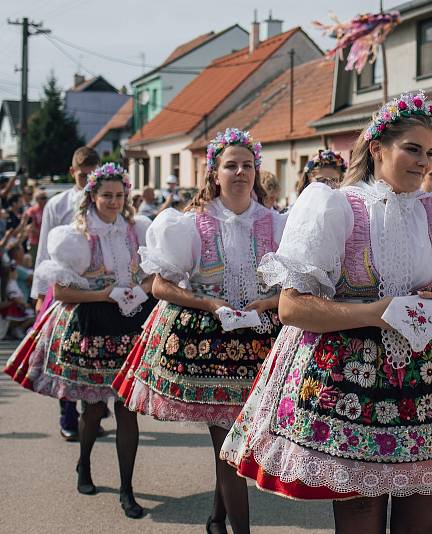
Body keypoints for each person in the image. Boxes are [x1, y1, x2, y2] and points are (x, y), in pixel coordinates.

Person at [220, 91, 432, 534]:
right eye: (412, 149)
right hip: (350, 385)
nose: (425, 163)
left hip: (430, 388)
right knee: (359, 514)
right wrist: (376, 312)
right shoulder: (336, 207)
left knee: (419, 517)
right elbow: (292, 308)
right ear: (376, 148)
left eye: (429, 152)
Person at [113, 128, 285, 534]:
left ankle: (216, 519)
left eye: (247, 165)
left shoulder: (277, 224)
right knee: (227, 439)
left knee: (232, 441)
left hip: (264, 341)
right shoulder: (191, 223)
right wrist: (211, 304)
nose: (240, 172)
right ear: (214, 173)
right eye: (231, 165)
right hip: (210, 344)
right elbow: (159, 285)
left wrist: (267, 303)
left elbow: (297, 285)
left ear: (256, 172)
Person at [3, 163, 155, 518]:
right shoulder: (77, 235)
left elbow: (152, 278)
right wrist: (106, 294)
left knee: (127, 409)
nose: (114, 202)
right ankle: (84, 464)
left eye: (119, 195)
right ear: (92, 196)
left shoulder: (138, 230)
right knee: (93, 408)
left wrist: (135, 290)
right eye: (107, 195)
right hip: (94, 324)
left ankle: (126, 489)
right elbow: (62, 290)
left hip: (132, 323)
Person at [31, 146, 101, 442]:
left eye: (92, 174)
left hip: (94, 288)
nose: (87, 179)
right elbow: (44, 250)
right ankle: (67, 412)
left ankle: (92, 412)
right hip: (62, 287)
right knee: (63, 350)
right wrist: (38, 292)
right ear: (73, 172)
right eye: (82, 174)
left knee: (90, 350)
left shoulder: (103, 202)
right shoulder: (57, 205)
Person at [25, 189, 48, 260]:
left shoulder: (48, 209)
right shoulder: (31, 211)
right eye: (43, 198)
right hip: (35, 242)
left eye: (46, 198)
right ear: (37, 199)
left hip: (46, 241)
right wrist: (41, 235)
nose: (45, 200)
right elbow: (30, 227)